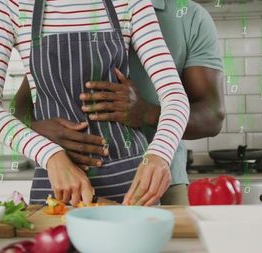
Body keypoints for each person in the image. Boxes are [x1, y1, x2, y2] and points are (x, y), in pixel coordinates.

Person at [0, 0, 190, 206]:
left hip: (132, 185)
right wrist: (50, 154)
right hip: (58, 185)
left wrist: (160, 154)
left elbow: (174, 96)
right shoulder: (10, 5)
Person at [14, 0, 225, 205]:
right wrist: (37, 130)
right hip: (68, 179)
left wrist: (146, 113)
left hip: (157, 182)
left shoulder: (189, 16)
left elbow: (213, 115)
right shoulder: (64, 12)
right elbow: (21, 106)